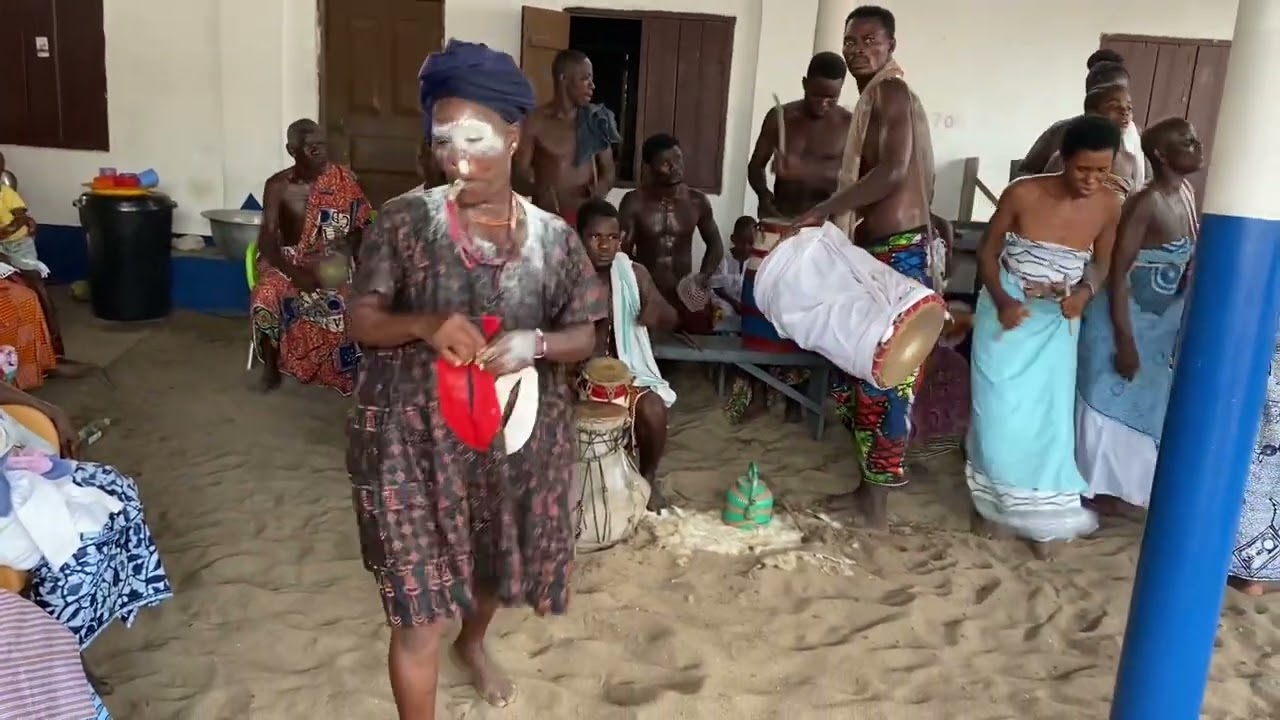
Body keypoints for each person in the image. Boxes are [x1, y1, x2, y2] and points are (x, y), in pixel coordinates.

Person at [346, 41, 606, 719]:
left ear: (514, 139)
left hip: (507, 440)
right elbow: (362, 320)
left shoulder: (553, 239)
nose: (457, 157)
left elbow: (586, 335)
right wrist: (426, 322)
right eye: (443, 140)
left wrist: (537, 342)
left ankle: (476, 642)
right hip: (406, 444)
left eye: (475, 138)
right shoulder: (403, 223)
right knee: (415, 618)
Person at [787, 6, 939, 527]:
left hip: (896, 254)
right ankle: (868, 486)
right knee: (859, 371)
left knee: (883, 377)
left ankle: (874, 502)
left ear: (891, 44)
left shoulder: (890, 94)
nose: (857, 48)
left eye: (869, 40)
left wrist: (824, 210)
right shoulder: (878, 97)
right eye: (851, 40)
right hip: (881, 253)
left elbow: (893, 172)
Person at [966, 115, 1123, 559]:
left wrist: (1086, 293)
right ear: (1064, 160)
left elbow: (1103, 264)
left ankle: (1043, 518)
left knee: (1046, 421)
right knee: (996, 411)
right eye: (1082, 170)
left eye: (1101, 171)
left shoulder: (1110, 205)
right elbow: (987, 252)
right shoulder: (1024, 192)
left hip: (1059, 318)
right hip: (1007, 308)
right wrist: (1001, 299)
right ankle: (992, 506)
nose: (1091, 180)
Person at [1076, 118, 1202, 515]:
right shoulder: (1144, 201)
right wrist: (1125, 341)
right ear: (1161, 155)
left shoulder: (1185, 191)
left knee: (1146, 403)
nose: (1196, 145)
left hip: (1157, 325)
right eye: (1185, 141)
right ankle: (1094, 491)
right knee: (1105, 401)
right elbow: (1117, 271)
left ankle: (1125, 492)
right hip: (1119, 320)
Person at [250, 118, 373, 394]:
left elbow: (363, 226)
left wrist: (344, 247)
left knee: (353, 296)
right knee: (265, 294)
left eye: (323, 146)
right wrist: (294, 272)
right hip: (287, 260)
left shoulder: (344, 181)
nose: (321, 153)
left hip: (331, 259)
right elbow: (267, 239)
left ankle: (345, 370)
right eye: (311, 148)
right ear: (292, 150)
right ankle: (271, 369)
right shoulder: (278, 186)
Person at [577, 199, 678, 510]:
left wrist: (656, 312)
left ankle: (648, 477)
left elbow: (672, 318)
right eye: (596, 237)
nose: (605, 246)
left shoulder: (634, 274)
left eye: (613, 237)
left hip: (627, 373)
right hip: (573, 375)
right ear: (578, 237)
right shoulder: (564, 276)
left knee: (654, 409)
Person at [619, 133, 725, 332]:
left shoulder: (697, 201)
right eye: (666, 163)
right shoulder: (634, 202)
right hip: (647, 297)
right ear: (648, 168)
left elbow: (715, 244)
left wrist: (703, 276)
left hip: (685, 296)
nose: (675, 166)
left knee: (692, 356)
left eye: (678, 158)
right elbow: (622, 255)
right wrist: (644, 286)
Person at [514, 49, 619, 225]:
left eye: (591, 79)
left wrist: (598, 191)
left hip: (586, 223)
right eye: (585, 78)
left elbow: (608, 172)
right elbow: (517, 177)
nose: (592, 85)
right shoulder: (534, 121)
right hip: (546, 221)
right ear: (563, 79)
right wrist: (538, 189)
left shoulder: (595, 120)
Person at [748, 52, 853, 219]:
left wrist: (801, 170)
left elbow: (853, 178)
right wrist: (763, 194)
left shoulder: (848, 124)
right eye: (816, 96)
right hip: (781, 215)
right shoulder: (780, 117)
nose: (823, 104)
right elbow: (755, 166)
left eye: (831, 98)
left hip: (825, 223)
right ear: (805, 84)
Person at [1018, 60, 1147, 184]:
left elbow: (1143, 183)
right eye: (1112, 103)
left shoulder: (1135, 141)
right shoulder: (1061, 133)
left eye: (1128, 105)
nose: (1124, 111)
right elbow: (1024, 173)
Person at [0, 151, 70, 363]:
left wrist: (16, 225)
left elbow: (21, 216)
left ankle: (53, 342)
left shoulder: (5, 192)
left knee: (33, 282)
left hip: (17, 243)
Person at [1046, 85, 1139, 195]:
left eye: (1129, 108)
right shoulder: (1063, 158)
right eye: (1114, 106)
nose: (1124, 112)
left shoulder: (1130, 160)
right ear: (1091, 113)